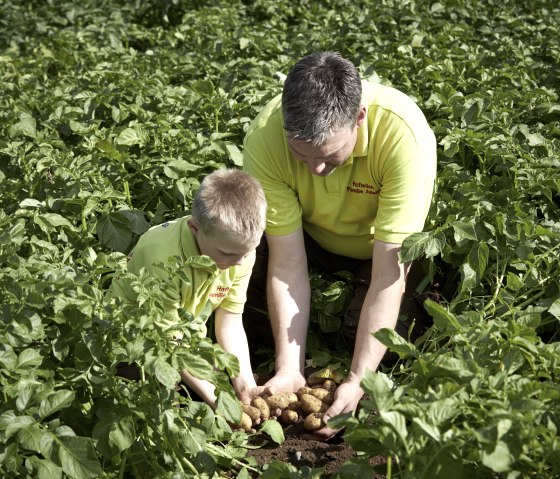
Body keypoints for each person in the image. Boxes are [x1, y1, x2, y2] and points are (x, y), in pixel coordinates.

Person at [242, 51, 437, 439]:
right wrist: (290, 368)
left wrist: (359, 377)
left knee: (388, 341)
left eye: (329, 155)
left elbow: (387, 274)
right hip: (310, 238)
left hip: (379, 250)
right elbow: (286, 262)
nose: (315, 169)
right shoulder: (266, 138)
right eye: (301, 154)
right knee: (246, 300)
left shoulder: (403, 137)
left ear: (359, 119)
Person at [109, 168, 267, 407]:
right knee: (163, 393)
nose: (239, 262)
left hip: (183, 340)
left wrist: (245, 384)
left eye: (247, 252)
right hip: (132, 348)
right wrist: (217, 401)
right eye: (227, 253)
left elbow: (230, 321)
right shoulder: (162, 258)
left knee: (220, 372)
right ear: (195, 228)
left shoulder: (239, 252)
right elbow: (166, 342)